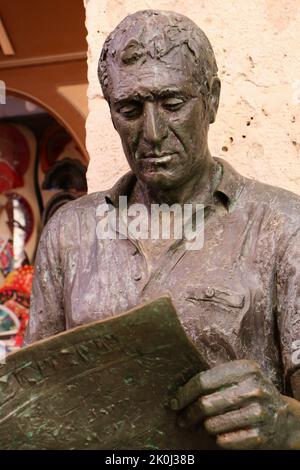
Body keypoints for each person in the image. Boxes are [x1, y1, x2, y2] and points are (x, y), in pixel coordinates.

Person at [25, 10, 300, 449]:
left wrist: (288, 423)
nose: (152, 133)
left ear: (211, 99)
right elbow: (35, 398)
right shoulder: (70, 234)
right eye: (130, 109)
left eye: (172, 104)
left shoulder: (283, 226)